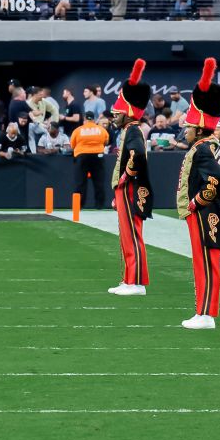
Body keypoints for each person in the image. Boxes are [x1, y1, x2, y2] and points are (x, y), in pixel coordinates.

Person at [178, 58, 220, 329]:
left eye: (188, 127)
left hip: (205, 214)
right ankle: (202, 311)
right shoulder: (202, 147)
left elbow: (216, 179)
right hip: (202, 214)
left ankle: (206, 314)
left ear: (198, 128)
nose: (184, 131)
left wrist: (196, 203)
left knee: (207, 264)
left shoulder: (203, 149)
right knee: (201, 263)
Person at [108, 59, 154, 297]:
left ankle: (135, 282)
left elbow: (137, 158)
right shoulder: (128, 130)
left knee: (132, 235)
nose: (113, 116)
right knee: (126, 235)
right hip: (125, 189)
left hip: (131, 189)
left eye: (117, 112)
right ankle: (129, 279)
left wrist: (125, 179)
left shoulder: (133, 130)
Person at [71, 111, 110, 210]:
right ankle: (99, 205)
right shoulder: (101, 130)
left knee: (80, 182)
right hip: (98, 156)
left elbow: (72, 145)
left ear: (84, 119)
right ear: (93, 119)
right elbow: (106, 142)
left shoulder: (78, 130)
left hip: (82, 156)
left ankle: (79, 205)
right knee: (99, 181)